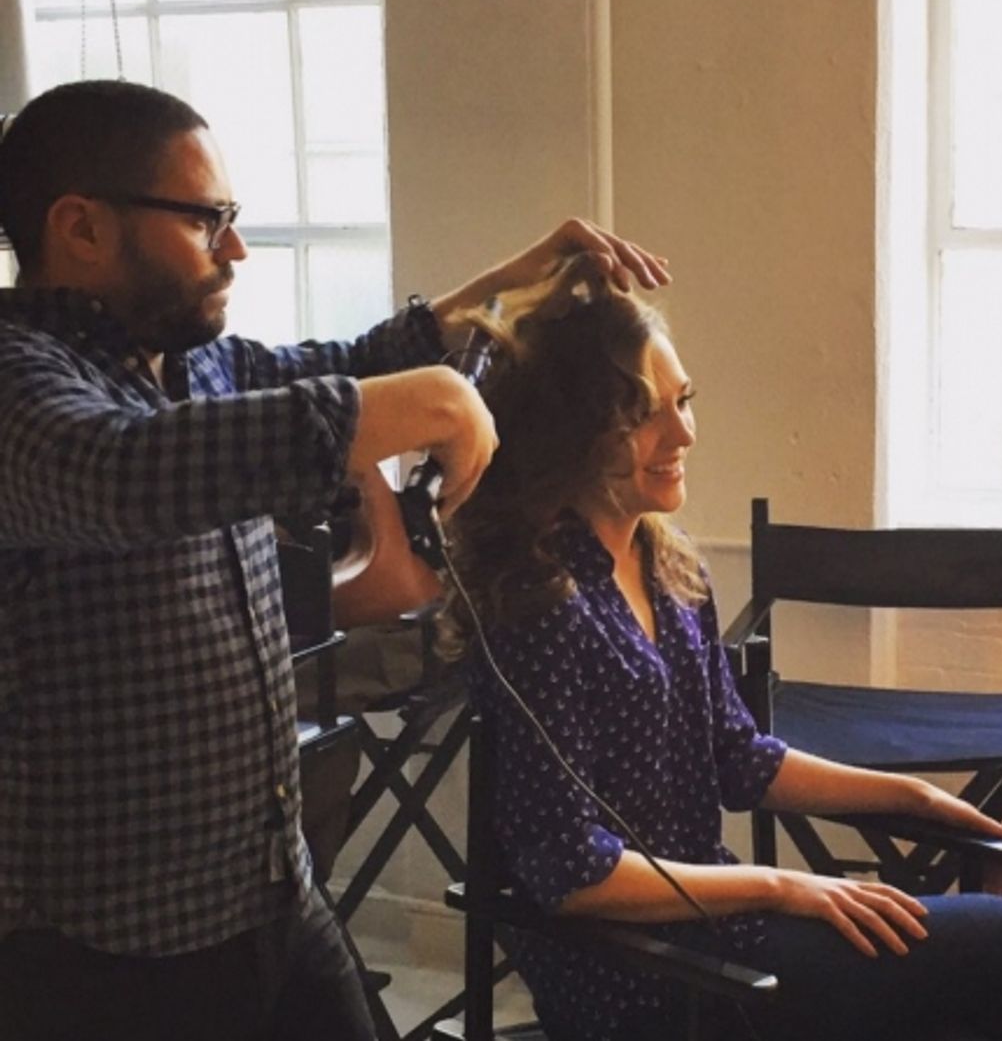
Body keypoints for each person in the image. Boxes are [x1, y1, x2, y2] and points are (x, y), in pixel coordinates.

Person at [0, 79, 669, 1041]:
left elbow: (355, 358)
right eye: (206, 221)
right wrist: (428, 401)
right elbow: (122, 474)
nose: (234, 249)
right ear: (82, 228)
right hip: (105, 949)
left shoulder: (186, 362)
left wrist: (512, 283)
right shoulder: (21, 384)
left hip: (269, 890)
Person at [440, 254, 1002, 1041]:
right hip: (637, 975)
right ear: (574, 434)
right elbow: (572, 874)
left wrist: (917, 798)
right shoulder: (540, 606)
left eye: (684, 401)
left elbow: (739, 759)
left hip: (716, 933)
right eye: (645, 414)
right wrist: (779, 887)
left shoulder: (669, 568)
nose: (683, 433)